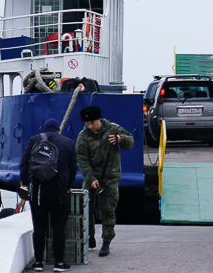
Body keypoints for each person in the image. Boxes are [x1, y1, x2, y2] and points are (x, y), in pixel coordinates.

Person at [19, 118, 77, 272]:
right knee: (59, 228)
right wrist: (69, 185)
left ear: (44, 130)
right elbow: (73, 168)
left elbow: (24, 163)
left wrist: (25, 183)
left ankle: (38, 262)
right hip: (60, 191)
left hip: (39, 190)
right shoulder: (68, 143)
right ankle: (59, 263)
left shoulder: (34, 140)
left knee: (39, 228)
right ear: (58, 130)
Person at [76, 105, 135, 257]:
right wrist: (90, 179)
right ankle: (89, 238)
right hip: (92, 177)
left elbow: (130, 142)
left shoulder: (113, 129)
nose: (90, 126)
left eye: (92, 123)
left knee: (108, 209)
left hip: (110, 177)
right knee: (85, 208)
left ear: (99, 120)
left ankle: (106, 241)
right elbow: (82, 160)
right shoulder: (83, 136)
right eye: (87, 124)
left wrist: (120, 139)